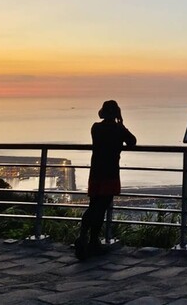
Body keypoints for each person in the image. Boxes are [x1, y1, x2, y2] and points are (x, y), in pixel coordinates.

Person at [75, 99, 137, 260]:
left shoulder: (95, 128)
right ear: (116, 113)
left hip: (96, 172)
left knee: (93, 206)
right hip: (110, 173)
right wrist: (122, 124)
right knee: (101, 208)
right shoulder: (118, 129)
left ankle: (85, 237)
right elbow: (132, 142)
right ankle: (91, 241)